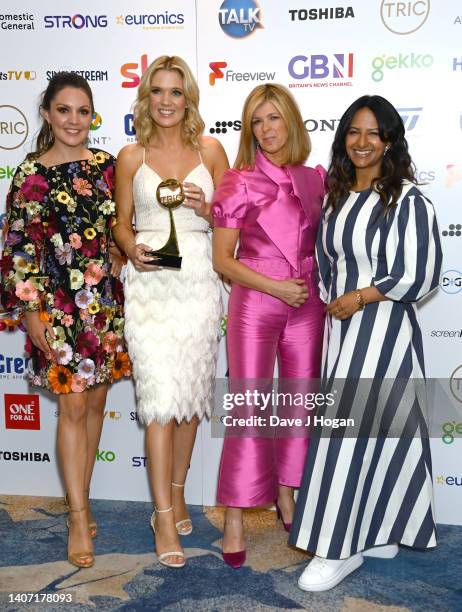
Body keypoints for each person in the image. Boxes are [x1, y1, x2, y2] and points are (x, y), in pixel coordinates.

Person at [289, 95, 442, 591]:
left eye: (374, 133)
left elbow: (421, 273)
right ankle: (374, 529)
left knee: (350, 435)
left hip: (385, 331)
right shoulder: (335, 197)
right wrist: (339, 305)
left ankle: (334, 549)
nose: (362, 142)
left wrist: (360, 297)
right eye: (354, 131)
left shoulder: (408, 201)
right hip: (344, 332)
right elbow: (328, 268)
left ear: (391, 140)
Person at [0, 72, 130, 568]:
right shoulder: (28, 175)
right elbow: (18, 247)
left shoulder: (107, 166)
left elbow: (123, 224)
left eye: (83, 112)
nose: (74, 121)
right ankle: (77, 517)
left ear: (90, 116)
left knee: (95, 406)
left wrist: (121, 251)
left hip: (104, 305)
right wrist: (31, 312)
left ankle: (84, 498)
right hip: (54, 309)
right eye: (64, 110)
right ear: (48, 114)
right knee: (72, 410)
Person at [113, 55, 228, 569]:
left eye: (175, 92)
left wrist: (207, 209)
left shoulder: (211, 150)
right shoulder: (130, 156)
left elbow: (229, 220)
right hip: (150, 283)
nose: (165, 101)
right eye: (157, 91)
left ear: (189, 99)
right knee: (159, 399)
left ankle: (178, 491)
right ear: (146, 97)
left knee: (188, 400)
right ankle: (162, 514)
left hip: (199, 279)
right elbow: (120, 223)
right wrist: (131, 248)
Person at [211, 84, 326, 568]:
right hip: (257, 302)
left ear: (291, 122)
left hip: (309, 304)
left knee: (300, 406)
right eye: (257, 121)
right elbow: (223, 260)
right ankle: (235, 515)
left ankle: (286, 495)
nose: (266, 129)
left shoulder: (317, 178)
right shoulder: (237, 182)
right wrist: (277, 287)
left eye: (274, 118)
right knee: (249, 407)